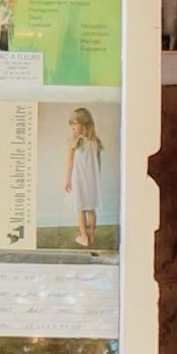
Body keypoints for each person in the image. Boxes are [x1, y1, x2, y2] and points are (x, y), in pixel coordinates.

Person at [63, 106, 105, 256]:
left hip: (78, 180)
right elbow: (98, 163)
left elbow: (69, 163)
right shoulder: (95, 142)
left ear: (85, 124)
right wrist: (94, 176)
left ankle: (84, 237)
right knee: (91, 209)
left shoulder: (74, 142)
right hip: (91, 180)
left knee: (80, 209)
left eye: (75, 124)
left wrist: (67, 179)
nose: (73, 127)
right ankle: (92, 236)